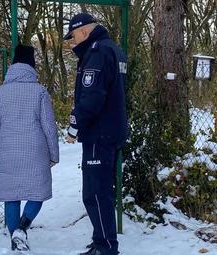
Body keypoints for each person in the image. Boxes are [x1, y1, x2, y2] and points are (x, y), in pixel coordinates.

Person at [64, 13, 128, 255]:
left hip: (98, 134)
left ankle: (105, 247)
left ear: (83, 32)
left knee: (95, 193)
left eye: (73, 36)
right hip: (112, 131)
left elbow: (92, 97)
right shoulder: (114, 50)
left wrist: (74, 127)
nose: (72, 42)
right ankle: (102, 239)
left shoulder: (97, 53)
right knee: (101, 191)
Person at [0, 44, 59, 252]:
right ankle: (22, 229)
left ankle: (15, 238)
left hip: (7, 153)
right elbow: (49, 128)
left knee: (11, 196)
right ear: (32, 65)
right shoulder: (40, 92)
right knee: (37, 194)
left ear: (12, 65)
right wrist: (53, 155)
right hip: (35, 152)